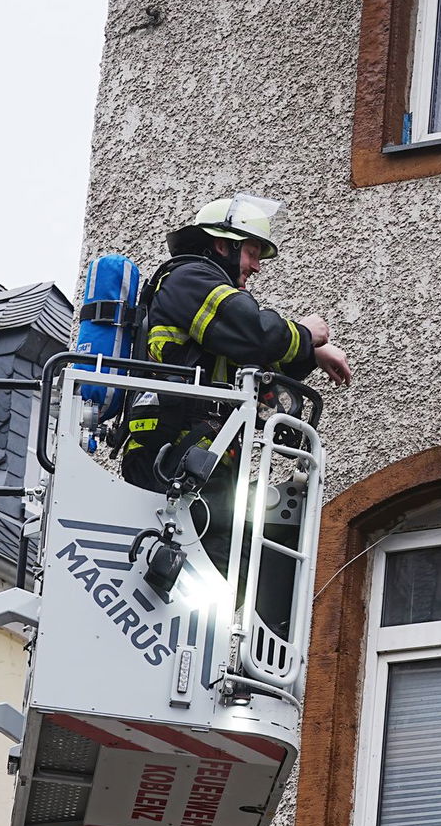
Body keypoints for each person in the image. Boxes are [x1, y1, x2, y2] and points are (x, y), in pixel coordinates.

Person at [121, 194, 351, 592]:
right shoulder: (188, 279)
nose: (256, 266)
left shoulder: (202, 294)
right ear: (222, 244)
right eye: (251, 252)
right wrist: (306, 332)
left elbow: (259, 360)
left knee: (231, 571)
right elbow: (252, 332)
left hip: (198, 454)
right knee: (209, 564)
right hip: (173, 451)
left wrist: (310, 353)